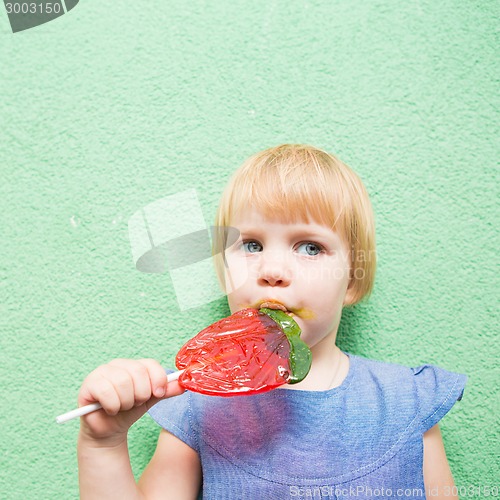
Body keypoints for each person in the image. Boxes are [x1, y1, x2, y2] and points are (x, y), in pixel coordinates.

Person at [77, 144, 466, 499]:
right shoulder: (195, 401)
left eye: (310, 247)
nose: (273, 270)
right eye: (251, 245)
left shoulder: (406, 401)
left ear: (353, 280)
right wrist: (104, 445)